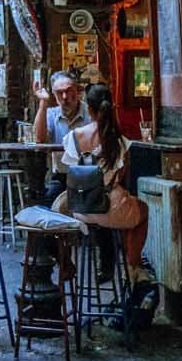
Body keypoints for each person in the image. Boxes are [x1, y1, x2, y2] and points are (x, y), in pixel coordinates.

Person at [55, 83, 151, 284]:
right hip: (112, 209)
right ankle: (133, 267)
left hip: (82, 208)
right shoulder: (120, 141)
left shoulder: (73, 137)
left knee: (56, 207)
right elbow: (122, 175)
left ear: (89, 109)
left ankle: (66, 262)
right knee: (143, 210)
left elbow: (70, 171)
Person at [33, 70, 88, 204]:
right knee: (48, 204)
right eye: (59, 92)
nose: (64, 96)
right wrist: (43, 103)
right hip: (61, 175)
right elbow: (39, 140)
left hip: (87, 173)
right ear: (54, 95)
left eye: (69, 91)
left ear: (77, 91)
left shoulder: (90, 113)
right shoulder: (51, 114)